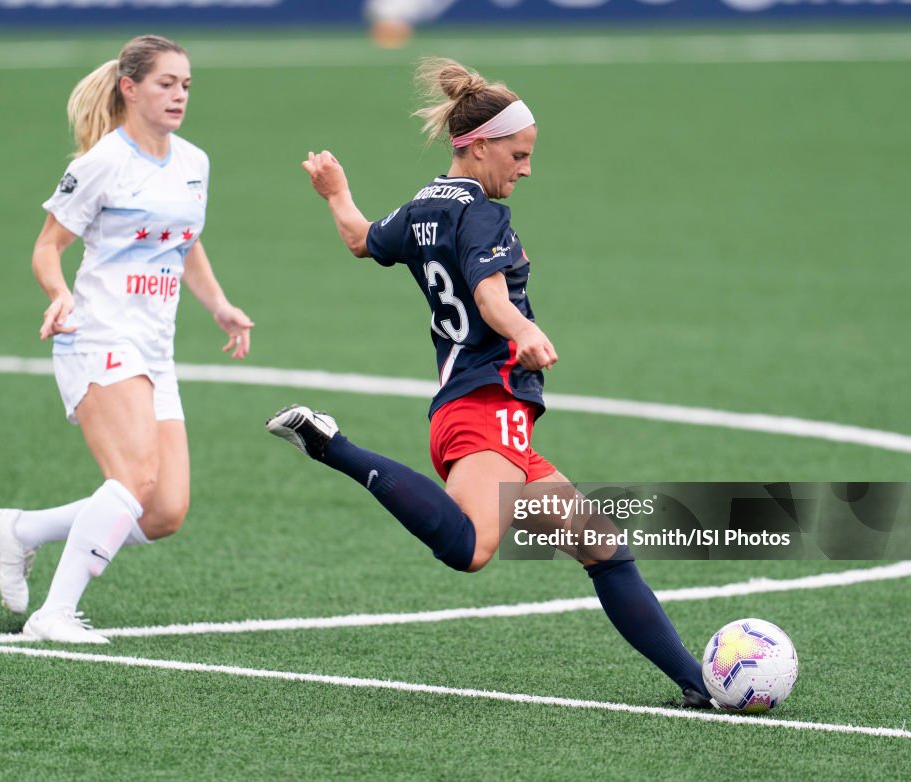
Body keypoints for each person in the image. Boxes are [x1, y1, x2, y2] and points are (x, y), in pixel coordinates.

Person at [268, 57, 714, 707]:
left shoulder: (424, 204)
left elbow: (363, 241)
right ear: (479, 148)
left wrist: (336, 193)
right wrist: (522, 332)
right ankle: (334, 446)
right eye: (519, 154)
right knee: (473, 548)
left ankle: (697, 686)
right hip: (484, 407)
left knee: (603, 549)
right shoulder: (482, 215)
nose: (526, 169)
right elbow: (487, 293)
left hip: (486, 413)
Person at [0, 35, 254, 644]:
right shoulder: (100, 162)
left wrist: (220, 306)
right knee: (134, 480)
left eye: (186, 85)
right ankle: (52, 615)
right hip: (98, 334)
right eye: (166, 83)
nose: (179, 95)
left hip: (156, 348)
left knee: (163, 512)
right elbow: (47, 247)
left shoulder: (194, 163)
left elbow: (184, 242)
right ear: (129, 88)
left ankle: (22, 530)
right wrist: (59, 295)